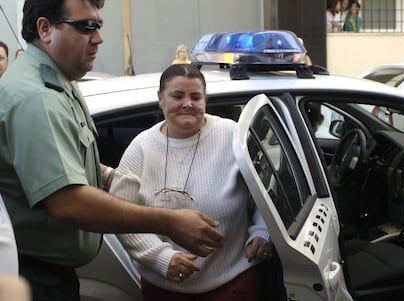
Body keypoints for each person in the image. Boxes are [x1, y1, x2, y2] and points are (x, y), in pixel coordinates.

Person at [0, 1, 222, 300]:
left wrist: (105, 175)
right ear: (45, 28)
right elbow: (68, 202)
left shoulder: (59, 81)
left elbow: (63, 157)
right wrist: (169, 222)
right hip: (35, 276)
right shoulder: (37, 97)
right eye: (87, 26)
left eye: (99, 25)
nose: (98, 38)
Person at [111, 64, 273, 300]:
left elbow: (267, 190)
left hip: (233, 281)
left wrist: (262, 231)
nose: (187, 103)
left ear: (205, 100)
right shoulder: (141, 148)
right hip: (164, 288)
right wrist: (162, 258)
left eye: (195, 96)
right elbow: (120, 216)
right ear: (160, 98)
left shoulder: (232, 135)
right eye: (178, 96)